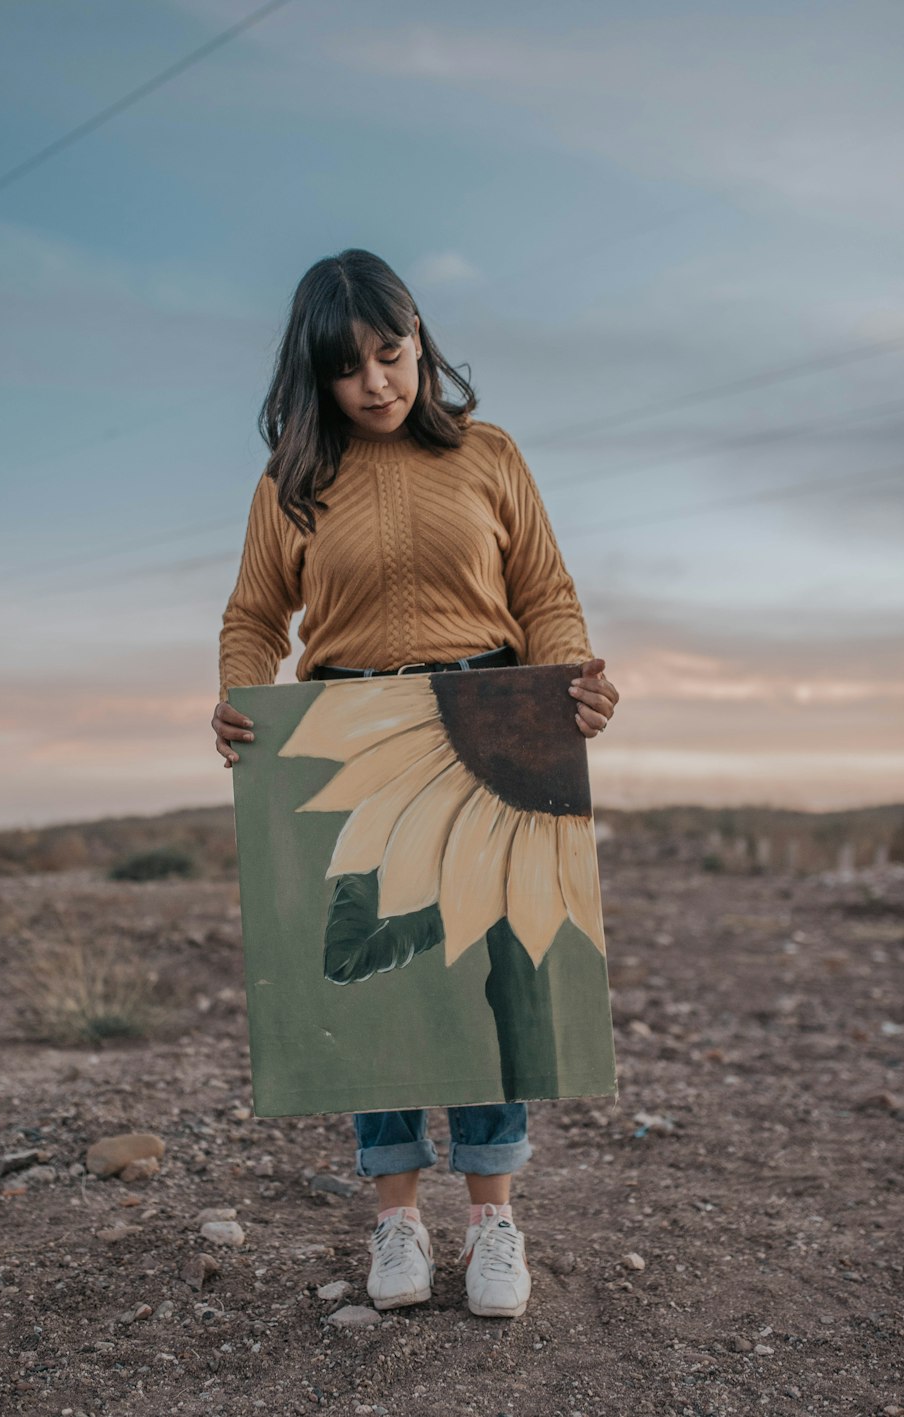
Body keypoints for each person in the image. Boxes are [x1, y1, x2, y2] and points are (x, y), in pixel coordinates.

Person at [211, 248, 619, 1319]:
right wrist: (240, 695)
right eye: (350, 370)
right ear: (317, 376)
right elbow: (255, 616)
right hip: (352, 742)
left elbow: (545, 594)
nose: (379, 384)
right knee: (375, 983)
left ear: (420, 338)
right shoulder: (292, 485)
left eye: (392, 354)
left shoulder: (489, 454)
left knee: (494, 978)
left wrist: (573, 681)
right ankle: (396, 1217)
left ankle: (493, 1221)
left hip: (490, 726)